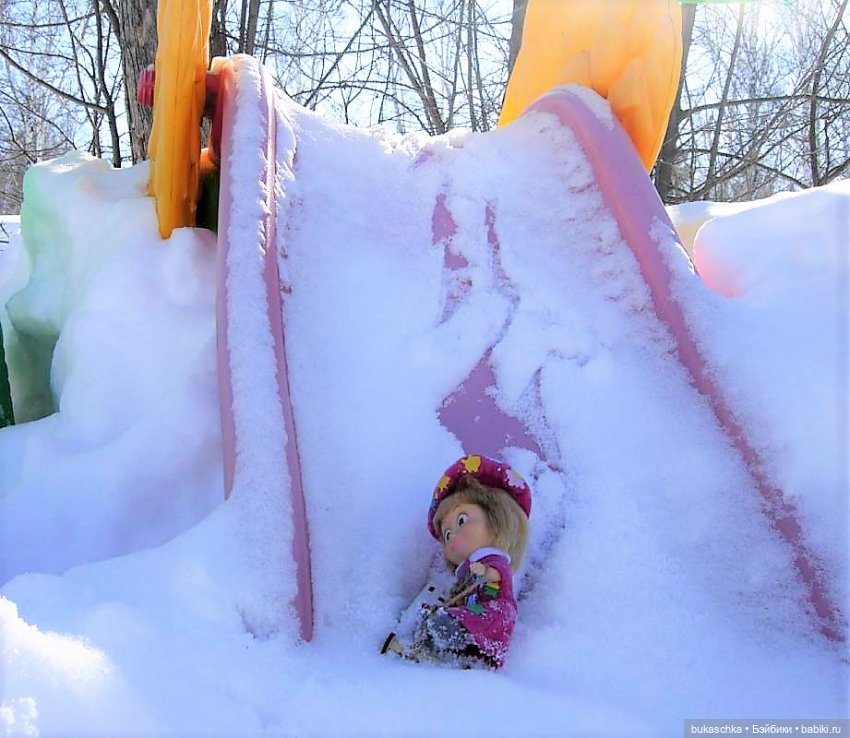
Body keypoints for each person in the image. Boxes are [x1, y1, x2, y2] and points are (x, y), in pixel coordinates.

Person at [382, 454, 531, 669]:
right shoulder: (466, 570)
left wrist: (485, 572)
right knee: (442, 615)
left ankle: (450, 637)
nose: (452, 538)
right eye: (448, 534)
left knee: (465, 621)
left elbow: (499, 576)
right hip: (473, 610)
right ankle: (433, 644)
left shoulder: (494, 560)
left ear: (499, 519)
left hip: (492, 614)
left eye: (462, 520)